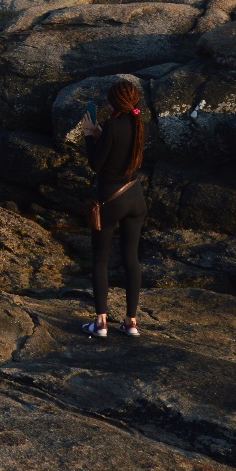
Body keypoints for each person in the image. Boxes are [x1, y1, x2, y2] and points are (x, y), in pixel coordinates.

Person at [80, 80, 147, 338]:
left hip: (110, 200)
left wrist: (89, 136)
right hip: (135, 198)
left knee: (101, 259)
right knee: (131, 258)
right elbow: (122, 149)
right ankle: (131, 322)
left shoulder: (111, 125)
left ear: (113, 102)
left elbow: (96, 164)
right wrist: (101, 135)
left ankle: (100, 324)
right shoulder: (141, 126)